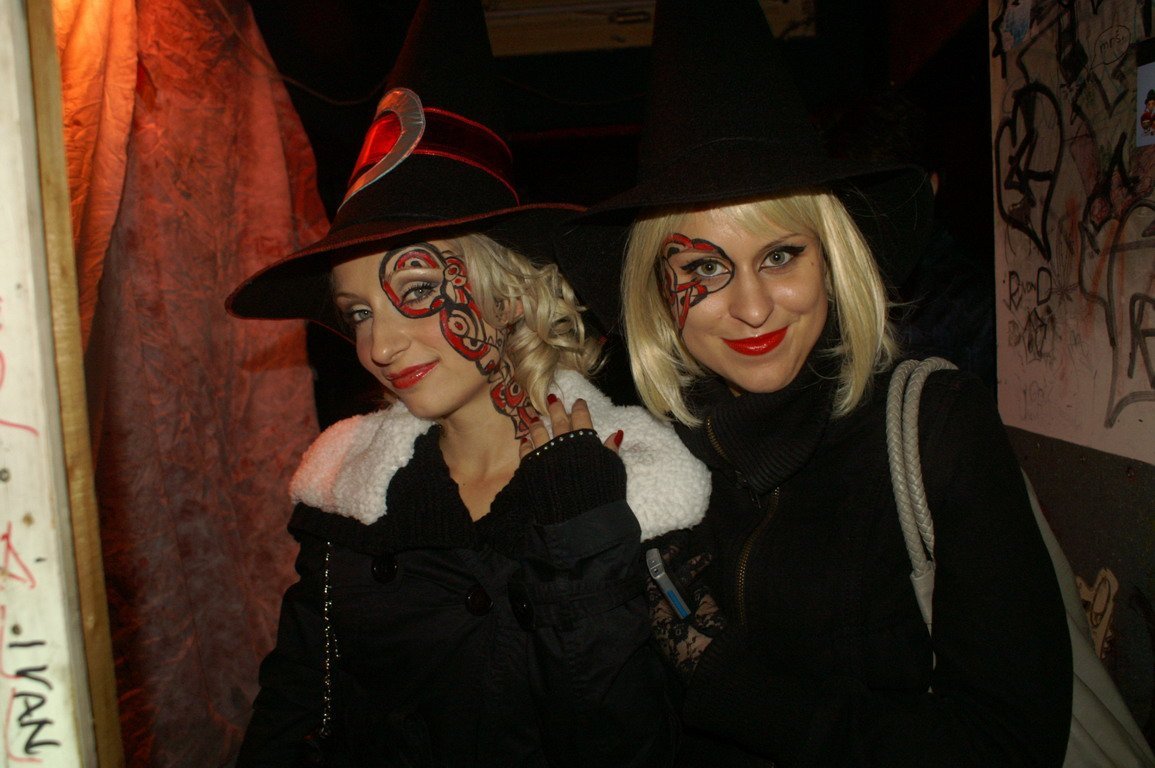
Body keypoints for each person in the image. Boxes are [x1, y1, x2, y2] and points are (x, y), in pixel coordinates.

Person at [559, 1, 1073, 765]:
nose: (752, 307)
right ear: (657, 293)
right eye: (703, 267)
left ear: (829, 260)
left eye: (779, 256)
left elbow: (1009, 745)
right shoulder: (643, 456)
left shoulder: (935, 427)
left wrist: (731, 683)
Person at [226, 1, 708, 764]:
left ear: (509, 296)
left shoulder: (638, 483)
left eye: (417, 293)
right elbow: (293, 712)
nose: (379, 345)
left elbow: (635, 741)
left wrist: (583, 531)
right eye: (357, 314)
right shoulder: (345, 490)